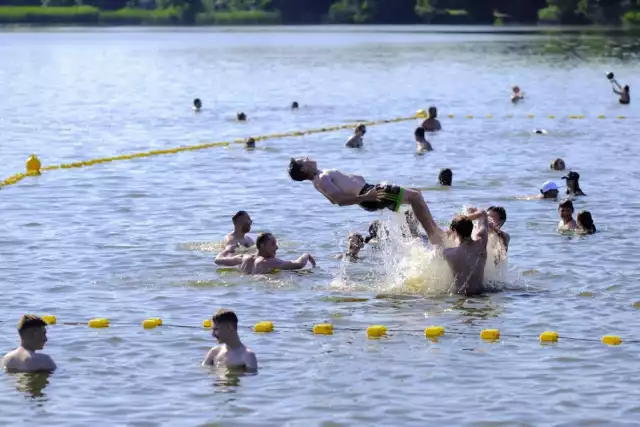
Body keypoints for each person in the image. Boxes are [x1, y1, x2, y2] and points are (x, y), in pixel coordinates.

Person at [287, 157, 440, 240]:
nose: (306, 158)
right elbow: (338, 200)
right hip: (369, 194)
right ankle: (434, 235)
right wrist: (366, 196)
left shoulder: (320, 177)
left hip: (369, 192)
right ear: (303, 168)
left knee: (415, 193)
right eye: (303, 160)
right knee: (415, 197)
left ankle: (419, 234)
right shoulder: (320, 179)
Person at [419, 205, 490, 296]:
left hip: (461, 295)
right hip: (480, 294)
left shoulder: (449, 253)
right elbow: (483, 214)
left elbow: (436, 244)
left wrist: (450, 230)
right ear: (471, 227)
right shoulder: (481, 243)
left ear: (455, 231)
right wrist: (467, 216)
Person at [215, 232, 315, 274]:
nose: (277, 247)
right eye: (273, 244)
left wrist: (227, 250)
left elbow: (218, 260)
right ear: (262, 245)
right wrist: (306, 255)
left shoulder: (242, 258)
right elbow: (299, 264)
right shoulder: (269, 262)